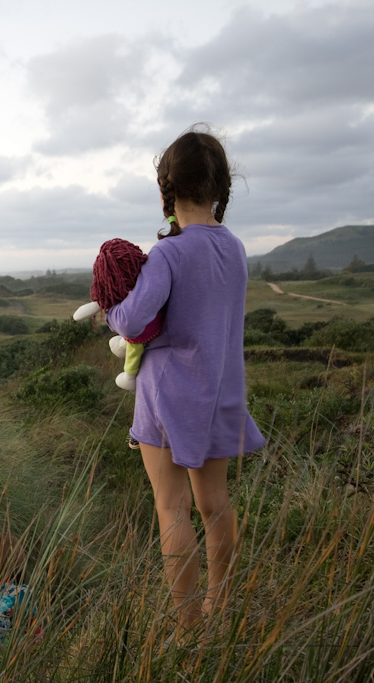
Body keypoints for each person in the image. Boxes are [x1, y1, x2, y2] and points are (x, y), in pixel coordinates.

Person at [104, 125, 266, 641]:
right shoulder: (235, 249)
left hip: (166, 398)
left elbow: (132, 323)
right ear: (220, 188)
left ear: (166, 190)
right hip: (219, 392)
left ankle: (188, 629)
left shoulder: (170, 255)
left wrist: (110, 311)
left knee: (171, 509)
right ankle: (220, 606)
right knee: (214, 503)